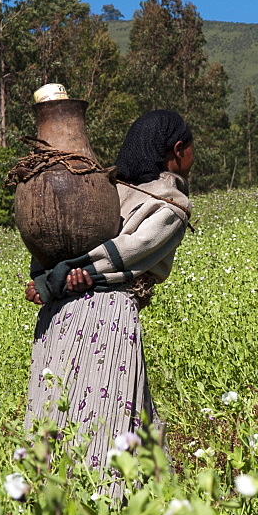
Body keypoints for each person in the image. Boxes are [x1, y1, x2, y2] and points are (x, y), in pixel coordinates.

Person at [24, 110, 194, 493]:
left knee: (62, 410)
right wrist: (55, 279)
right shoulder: (171, 205)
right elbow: (122, 256)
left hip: (59, 318)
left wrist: (50, 280)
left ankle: (56, 509)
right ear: (178, 150)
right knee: (108, 416)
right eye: (190, 149)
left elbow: (57, 242)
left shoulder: (103, 189)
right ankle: (108, 511)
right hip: (107, 318)